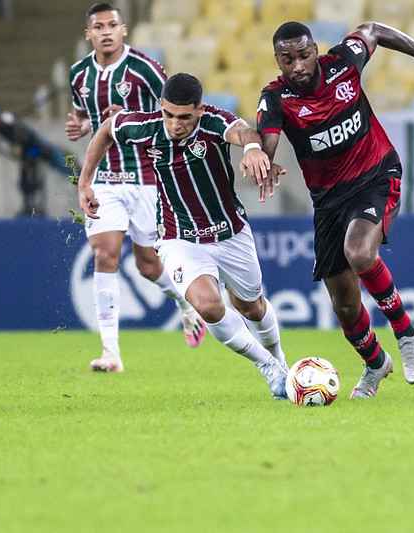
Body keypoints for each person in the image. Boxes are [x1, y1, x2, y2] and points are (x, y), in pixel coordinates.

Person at [254, 21, 414, 399]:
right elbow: (268, 137)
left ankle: (406, 333)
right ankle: (376, 364)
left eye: (304, 55)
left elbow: (372, 30)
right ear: (277, 60)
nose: (297, 67)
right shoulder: (276, 98)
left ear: (315, 51)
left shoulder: (344, 62)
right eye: (287, 59)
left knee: (359, 252)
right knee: (344, 304)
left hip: (376, 174)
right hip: (328, 202)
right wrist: (261, 155)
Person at [78, 73, 289, 398]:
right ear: (161, 108)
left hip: (229, 233)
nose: (175, 124)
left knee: (253, 309)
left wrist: (251, 148)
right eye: (169, 115)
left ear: (200, 110)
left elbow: (244, 130)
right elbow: (107, 129)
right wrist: (85, 182)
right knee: (207, 306)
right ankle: (268, 367)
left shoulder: (214, 123)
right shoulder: (144, 126)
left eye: (184, 117)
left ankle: (280, 360)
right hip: (179, 238)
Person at [66, 3, 205, 373]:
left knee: (147, 264)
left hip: (146, 179)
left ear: (124, 30)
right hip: (105, 180)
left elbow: (174, 110)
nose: (106, 31)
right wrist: (81, 125)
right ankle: (110, 351)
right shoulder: (79, 74)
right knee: (105, 253)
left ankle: (185, 304)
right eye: (99, 26)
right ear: (88, 34)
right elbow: (83, 112)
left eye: (113, 25)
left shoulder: (144, 69)